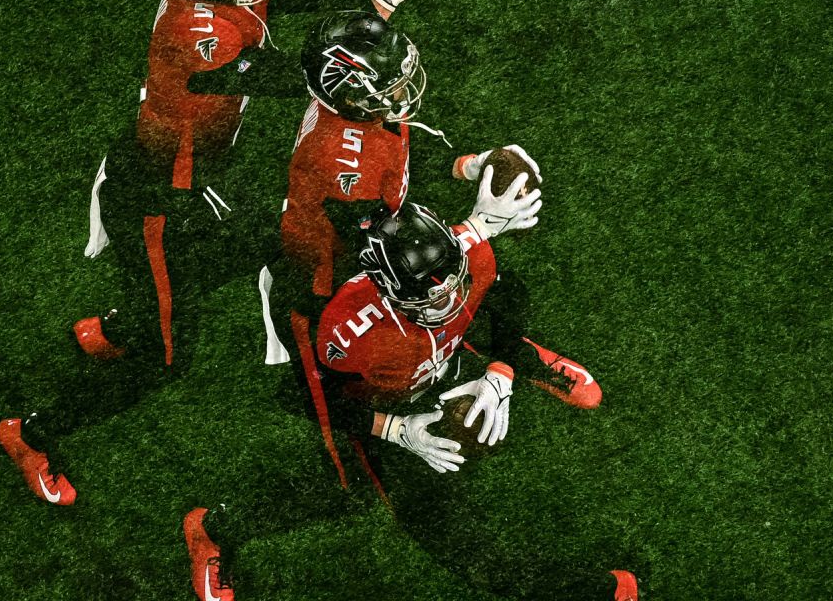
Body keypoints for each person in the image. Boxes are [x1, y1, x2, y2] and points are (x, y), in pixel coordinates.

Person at [0, 0, 469, 506]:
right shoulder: (203, 33)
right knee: (165, 359)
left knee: (263, 237)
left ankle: (120, 325)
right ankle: (31, 433)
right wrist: (381, 6)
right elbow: (296, 75)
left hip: (187, 184)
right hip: (158, 202)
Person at [184, 202, 635, 601]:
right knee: (398, 514)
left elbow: (506, 291)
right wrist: (396, 429)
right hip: (387, 401)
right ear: (386, 289)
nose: (449, 299)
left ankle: (523, 359)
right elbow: (311, 401)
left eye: (452, 284)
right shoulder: (348, 331)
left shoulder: (466, 252)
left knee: (479, 324)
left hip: (434, 362)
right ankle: (214, 531)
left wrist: (501, 375)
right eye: (429, 295)